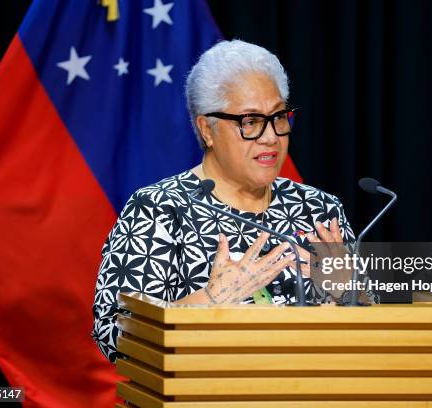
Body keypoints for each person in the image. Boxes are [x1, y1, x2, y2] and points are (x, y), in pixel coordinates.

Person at [92, 40, 364, 363]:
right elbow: (113, 333)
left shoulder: (319, 211)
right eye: (250, 122)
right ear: (207, 129)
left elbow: (379, 331)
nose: (270, 137)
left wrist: (351, 293)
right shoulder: (159, 211)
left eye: (278, 117)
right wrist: (207, 300)